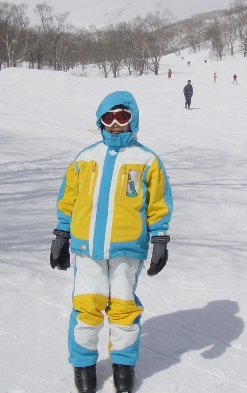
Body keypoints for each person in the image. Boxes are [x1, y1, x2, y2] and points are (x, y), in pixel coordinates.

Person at [50, 91, 174, 393]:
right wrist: (62, 234)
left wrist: (159, 238)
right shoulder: (86, 158)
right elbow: (69, 199)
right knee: (87, 307)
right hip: (88, 248)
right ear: (100, 121)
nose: (116, 123)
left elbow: (158, 203)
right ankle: (83, 366)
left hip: (127, 247)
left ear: (133, 119)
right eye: (109, 118)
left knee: (124, 308)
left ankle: (123, 366)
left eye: (122, 116)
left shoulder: (146, 160)